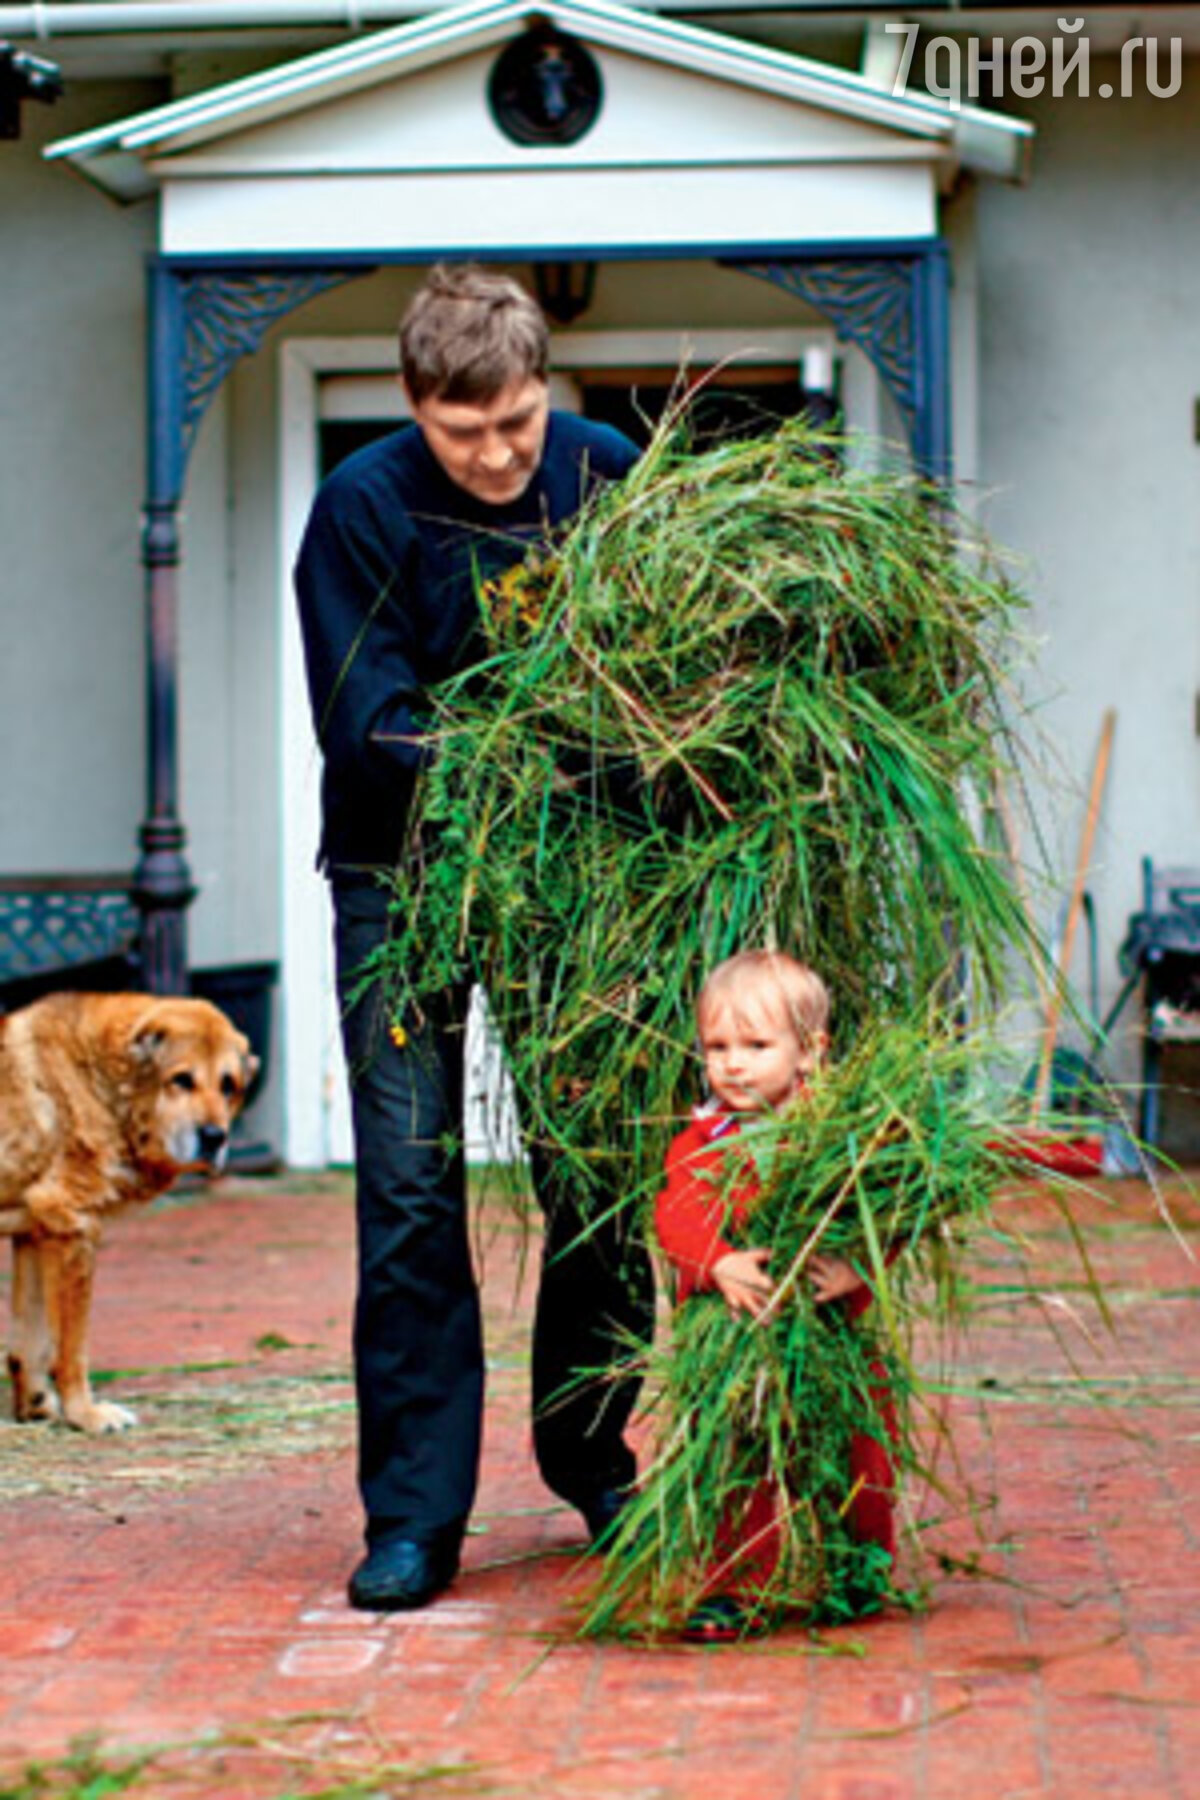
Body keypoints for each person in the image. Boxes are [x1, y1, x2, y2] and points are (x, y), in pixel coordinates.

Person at [294, 264, 653, 1613]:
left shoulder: (608, 471)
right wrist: (537, 761)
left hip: (576, 883)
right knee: (407, 1192)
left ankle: (595, 1457)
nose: (500, 455)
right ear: (415, 405)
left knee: (599, 1161)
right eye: (467, 432)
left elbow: (667, 660)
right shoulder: (361, 508)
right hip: (402, 883)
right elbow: (367, 723)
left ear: (542, 386)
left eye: (517, 421)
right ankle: (415, 1517)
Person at [654, 949, 897, 1640]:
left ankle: (859, 1570)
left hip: (835, 1335)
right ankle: (736, 1586)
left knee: (858, 1451)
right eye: (717, 1048)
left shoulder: (844, 1131)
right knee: (738, 1455)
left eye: (756, 1046)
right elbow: (677, 1216)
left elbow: (893, 1206)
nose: (732, 1065)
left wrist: (860, 1269)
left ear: (809, 1052)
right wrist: (718, 1262)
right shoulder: (703, 1142)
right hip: (745, 1334)